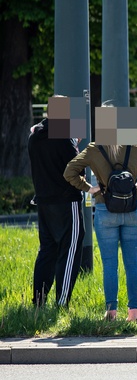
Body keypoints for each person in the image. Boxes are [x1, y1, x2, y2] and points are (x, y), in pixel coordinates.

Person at [64, 140, 137, 321]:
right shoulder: (134, 146)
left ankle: (111, 313)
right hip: (132, 208)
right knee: (132, 264)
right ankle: (133, 314)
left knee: (110, 264)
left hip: (106, 210)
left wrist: (90, 189)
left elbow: (69, 172)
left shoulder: (94, 149)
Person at [28, 117, 85, 308]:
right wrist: (75, 144)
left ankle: (39, 302)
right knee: (70, 250)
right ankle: (62, 303)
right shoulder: (65, 139)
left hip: (44, 202)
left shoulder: (34, 137)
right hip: (67, 201)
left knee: (47, 250)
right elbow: (77, 171)